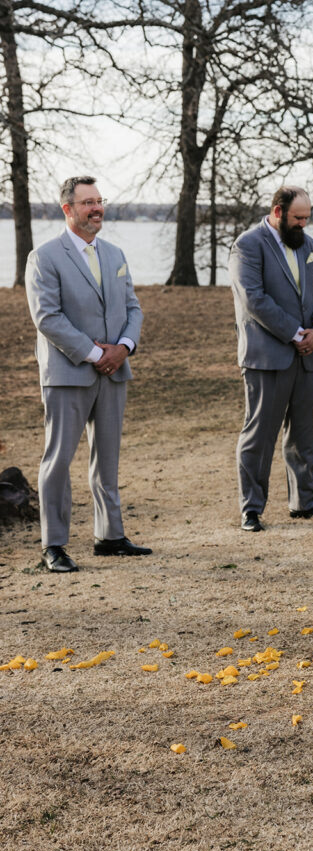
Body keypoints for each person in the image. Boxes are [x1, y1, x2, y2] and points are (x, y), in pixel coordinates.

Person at [25, 176, 152, 573]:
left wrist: (123, 348)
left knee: (107, 459)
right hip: (67, 372)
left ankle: (109, 536)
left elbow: (133, 308)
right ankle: (54, 545)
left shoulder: (114, 254)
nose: (97, 209)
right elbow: (47, 317)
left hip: (114, 371)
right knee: (58, 460)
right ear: (68, 209)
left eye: (99, 201)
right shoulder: (44, 257)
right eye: (87, 203)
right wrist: (96, 352)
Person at [229, 186, 313, 532]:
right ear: (278, 212)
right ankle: (251, 509)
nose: (303, 225)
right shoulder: (248, 245)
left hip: (307, 355)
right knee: (259, 437)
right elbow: (254, 299)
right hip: (267, 357)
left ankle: (305, 503)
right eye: (298, 218)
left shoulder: (309, 246)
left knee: (302, 434)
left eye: (307, 218)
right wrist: (295, 333)